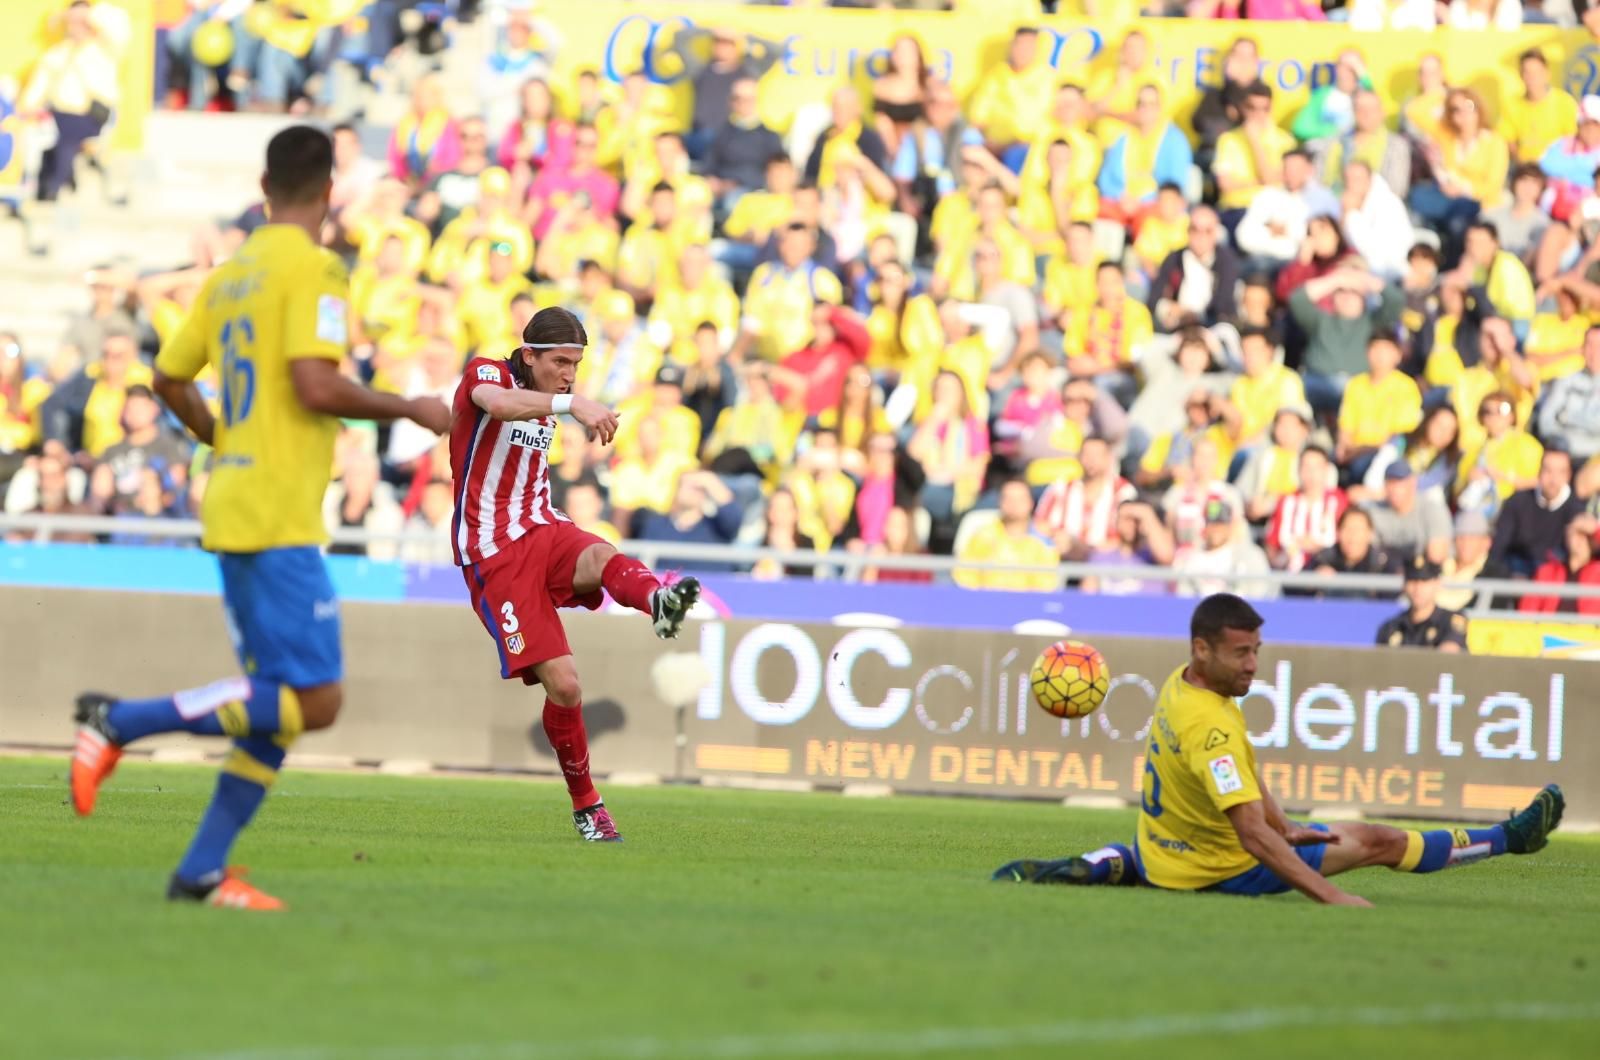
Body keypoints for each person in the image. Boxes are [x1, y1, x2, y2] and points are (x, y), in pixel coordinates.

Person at [68, 126, 455, 910]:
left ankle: (201, 871)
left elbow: (168, 377)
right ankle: (121, 722)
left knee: (275, 705)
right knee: (319, 702)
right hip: (278, 509)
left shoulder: (229, 275)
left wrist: (219, 435)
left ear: (265, 184)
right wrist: (406, 406)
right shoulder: (314, 269)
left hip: (234, 495)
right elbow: (315, 383)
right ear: (329, 191)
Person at [993, 593, 1565, 900]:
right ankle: (1508, 839)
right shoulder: (1209, 726)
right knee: (1378, 840)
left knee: (1169, 853)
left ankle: (1112, 864)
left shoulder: (1182, 682)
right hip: (1217, 871)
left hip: (1164, 849)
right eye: (1241, 653)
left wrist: (1284, 819)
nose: (1253, 664)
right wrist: (1332, 898)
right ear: (1203, 649)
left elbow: (1244, 780)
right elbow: (1251, 836)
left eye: (1256, 650)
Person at [451, 307, 702, 844]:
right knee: (565, 687)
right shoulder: (488, 374)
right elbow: (498, 406)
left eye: (576, 365)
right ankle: (587, 804)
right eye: (560, 362)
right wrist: (573, 404)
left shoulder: (546, 407)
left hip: (543, 526)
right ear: (528, 356)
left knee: (598, 554)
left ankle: (656, 599)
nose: (569, 373)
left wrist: (566, 405)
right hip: (494, 552)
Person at [1377, 557, 1469, 652]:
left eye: (1424, 581)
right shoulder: (1390, 627)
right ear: (1404, 585)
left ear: (1437, 584)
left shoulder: (1452, 621)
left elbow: (1449, 655)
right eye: (1413, 581)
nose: (1418, 588)